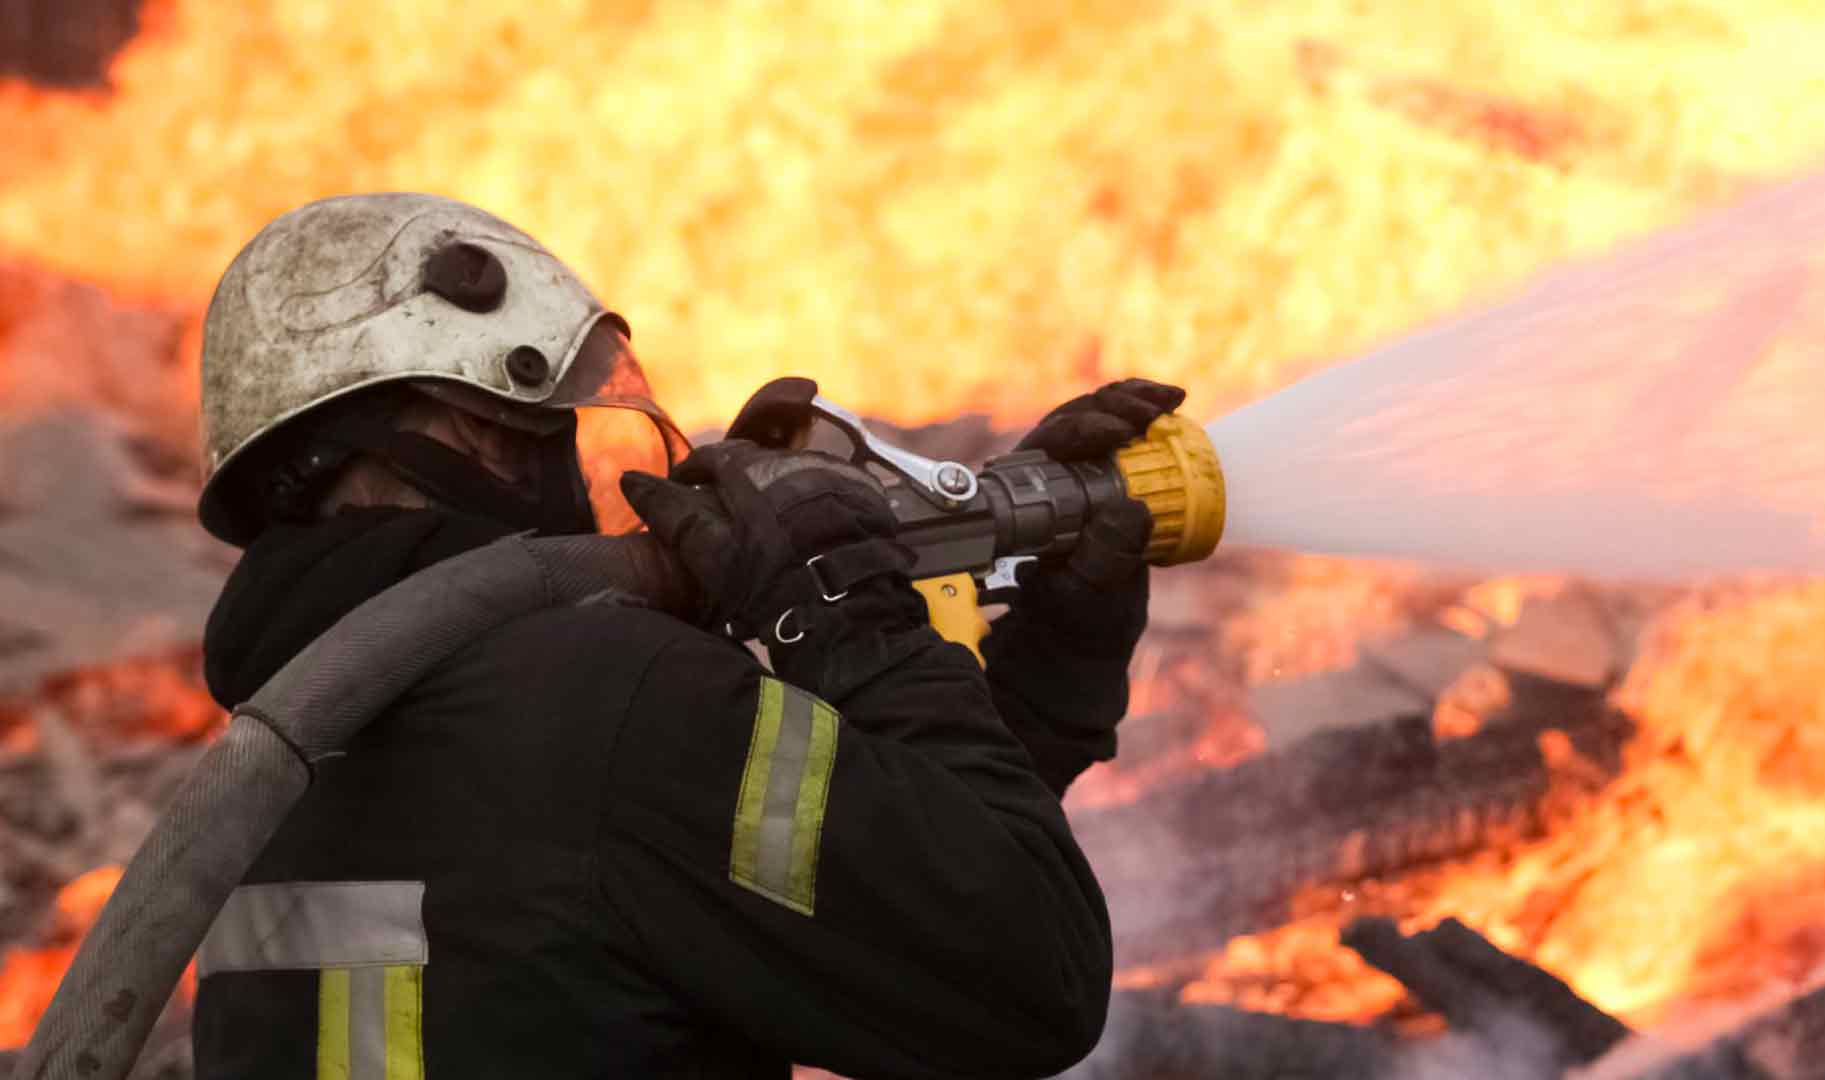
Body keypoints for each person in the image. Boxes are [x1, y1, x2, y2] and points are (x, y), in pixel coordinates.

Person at [189, 192, 1184, 1078]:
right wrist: (841, 611)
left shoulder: (263, 769)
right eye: (545, 427)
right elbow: (1024, 969)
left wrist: (1051, 662)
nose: (580, 475)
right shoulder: (605, 706)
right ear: (478, 431)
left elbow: (863, 888)